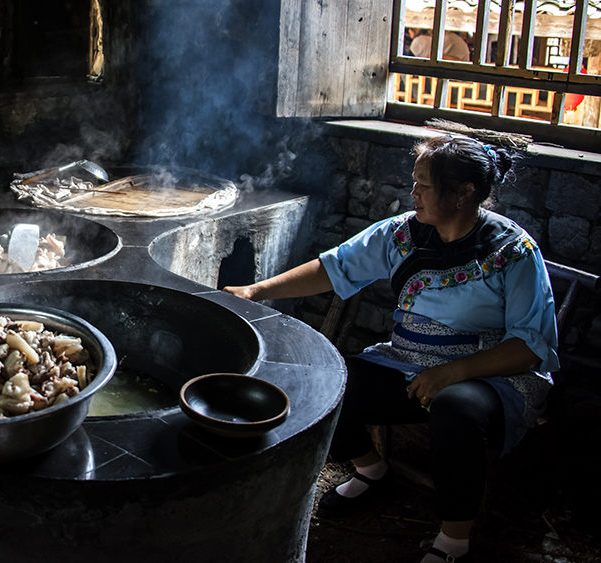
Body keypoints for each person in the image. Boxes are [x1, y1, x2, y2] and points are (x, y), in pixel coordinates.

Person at [225, 134, 558, 563]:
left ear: (463, 193)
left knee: (456, 409)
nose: (413, 193)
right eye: (414, 182)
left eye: (424, 184)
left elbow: (531, 345)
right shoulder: (403, 234)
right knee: (326, 383)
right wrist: (256, 290)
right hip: (407, 361)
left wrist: (452, 372)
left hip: (493, 375)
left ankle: (454, 541)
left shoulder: (511, 251)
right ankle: (373, 472)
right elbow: (335, 267)